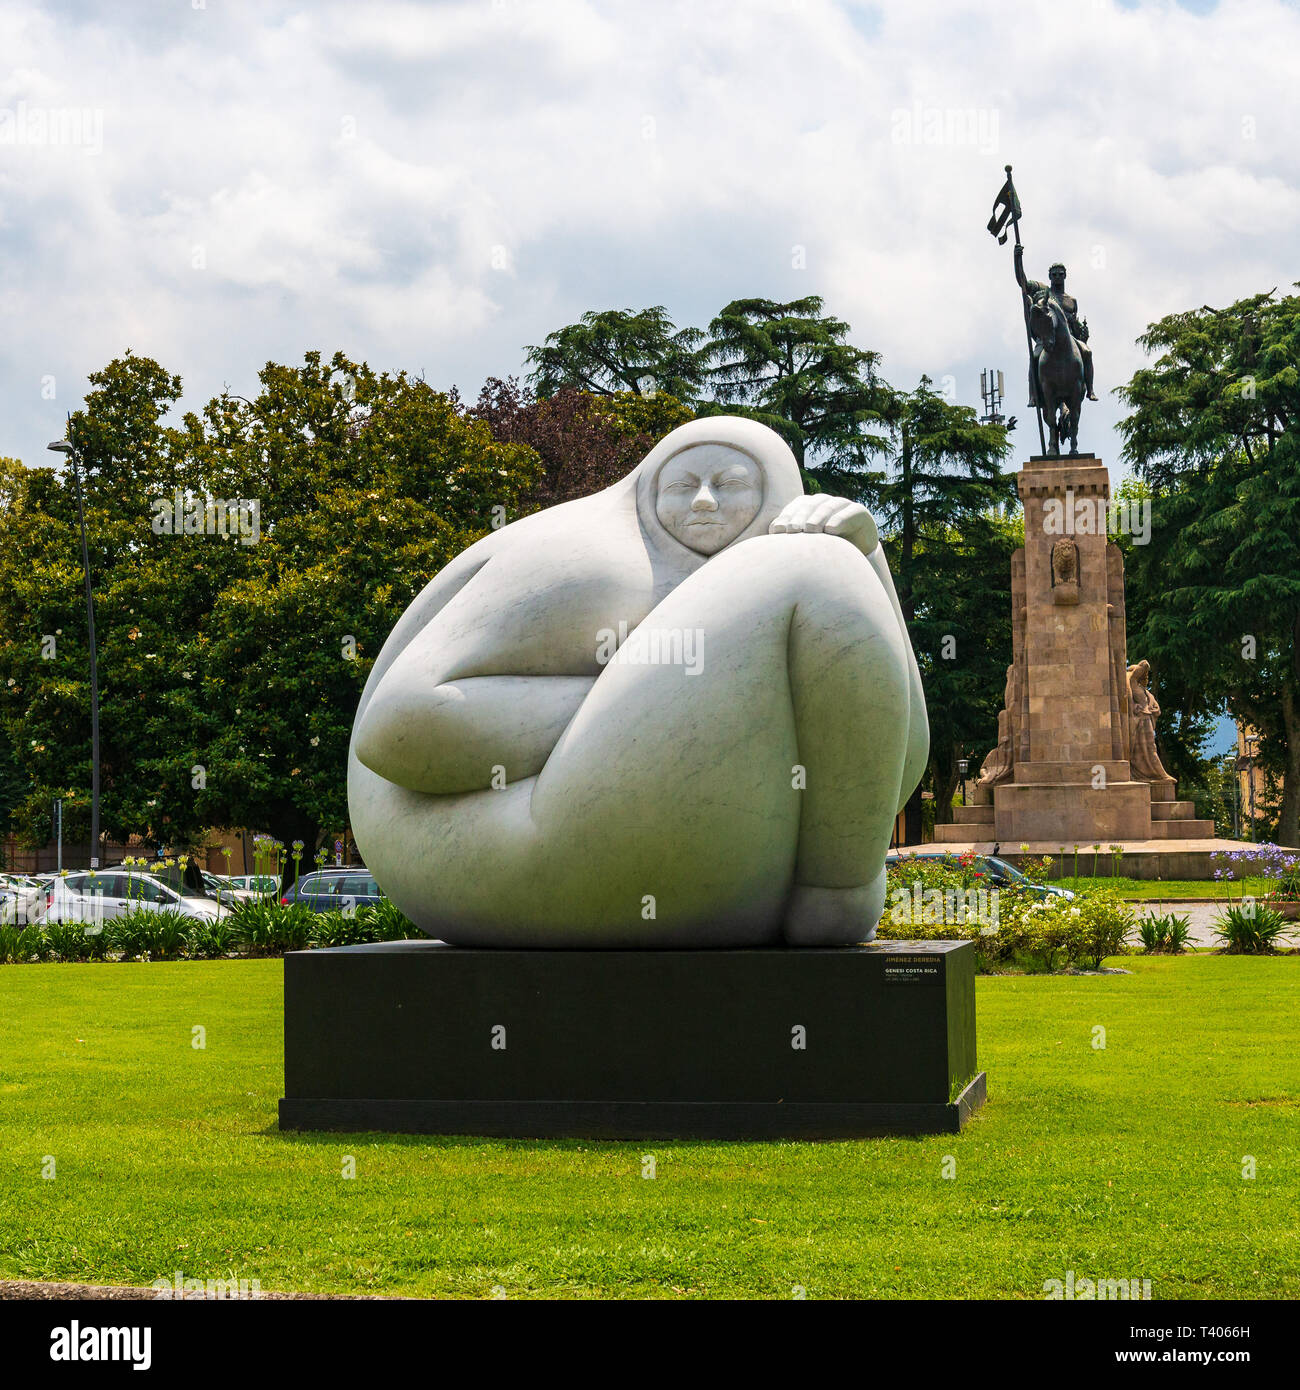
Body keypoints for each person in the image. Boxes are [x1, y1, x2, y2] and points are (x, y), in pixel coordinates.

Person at [349, 417, 928, 947]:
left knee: (827, 562)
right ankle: (837, 896)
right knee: (815, 567)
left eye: (730, 484)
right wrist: (641, 702)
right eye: (683, 486)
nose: (705, 500)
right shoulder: (586, 559)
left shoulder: (754, 603)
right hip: (477, 847)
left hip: (705, 866)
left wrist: (869, 560)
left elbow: (900, 760)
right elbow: (397, 728)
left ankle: (833, 893)